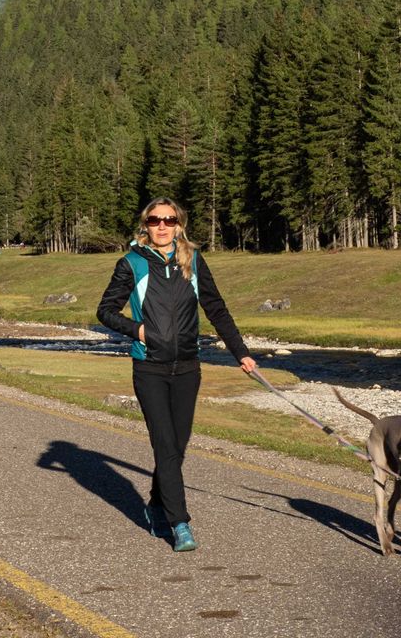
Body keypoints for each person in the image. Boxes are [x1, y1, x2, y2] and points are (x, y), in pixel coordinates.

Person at [96, 197, 257, 552]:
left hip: (188, 368)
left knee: (176, 448)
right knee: (165, 446)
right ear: (146, 225)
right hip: (149, 368)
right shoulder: (131, 263)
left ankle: (155, 505)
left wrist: (240, 353)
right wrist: (137, 330)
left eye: (169, 220)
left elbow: (216, 308)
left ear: (180, 224)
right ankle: (180, 523)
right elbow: (105, 311)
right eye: (155, 221)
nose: (162, 226)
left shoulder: (194, 261)